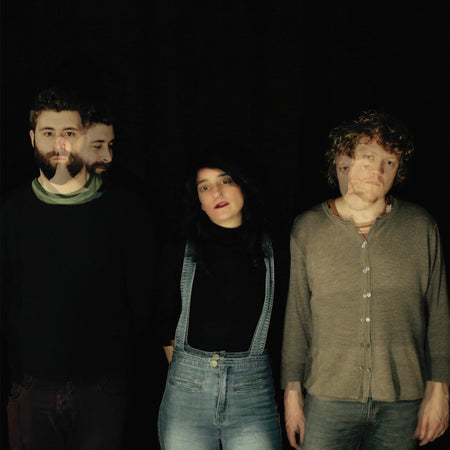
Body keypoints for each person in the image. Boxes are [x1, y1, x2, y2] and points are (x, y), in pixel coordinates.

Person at [282, 110, 450, 450]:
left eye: (389, 161)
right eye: (368, 157)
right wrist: (291, 392)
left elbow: (438, 313)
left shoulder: (420, 226)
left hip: (403, 400)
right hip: (327, 397)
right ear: (343, 160)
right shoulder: (308, 228)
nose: (378, 170)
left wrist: (440, 390)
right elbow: (298, 316)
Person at [1, 86, 155, 450]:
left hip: (103, 389)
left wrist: (116, 364)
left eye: (69, 133)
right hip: (30, 387)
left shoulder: (126, 210)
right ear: (32, 138)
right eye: (48, 133)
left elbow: (143, 300)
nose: (59, 144)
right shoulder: (10, 213)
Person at [157, 144, 283, 449]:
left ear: (244, 186)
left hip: (253, 391)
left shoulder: (276, 251)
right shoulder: (181, 251)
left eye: (225, 181)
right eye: (205, 187)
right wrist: (190, 372)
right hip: (187, 390)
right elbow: (162, 319)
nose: (217, 193)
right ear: (199, 201)